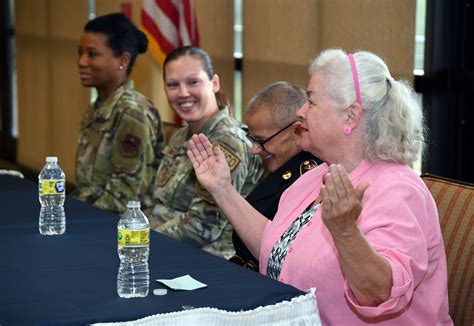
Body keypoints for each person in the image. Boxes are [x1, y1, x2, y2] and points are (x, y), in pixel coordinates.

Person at [188, 49, 452, 325]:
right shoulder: (317, 176)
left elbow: (378, 294)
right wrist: (222, 189)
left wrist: (346, 233)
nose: (300, 111)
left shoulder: (398, 190)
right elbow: (274, 248)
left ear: (351, 116)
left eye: (311, 101)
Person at [145, 46, 263, 259]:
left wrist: (141, 239)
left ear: (214, 83)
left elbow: (204, 226)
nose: (183, 93)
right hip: (166, 249)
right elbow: (158, 204)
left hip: (207, 262)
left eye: (193, 82)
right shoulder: (182, 136)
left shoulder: (227, 142)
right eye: (173, 85)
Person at [72, 13, 165, 213]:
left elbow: (124, 197)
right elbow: (88, 187)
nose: (81, 61)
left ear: (122, 60)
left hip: (122, 228)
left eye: (92, 54)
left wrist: (73, 214)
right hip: (92, 214)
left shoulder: (132, 112)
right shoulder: (99, 107)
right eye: (80, 53)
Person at [229, 81, 322, 271]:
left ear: (296, 130)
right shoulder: (282, 165)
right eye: (251, 138)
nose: (255, 150)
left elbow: (278, 253)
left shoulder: (309, 176)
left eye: (262, 141)